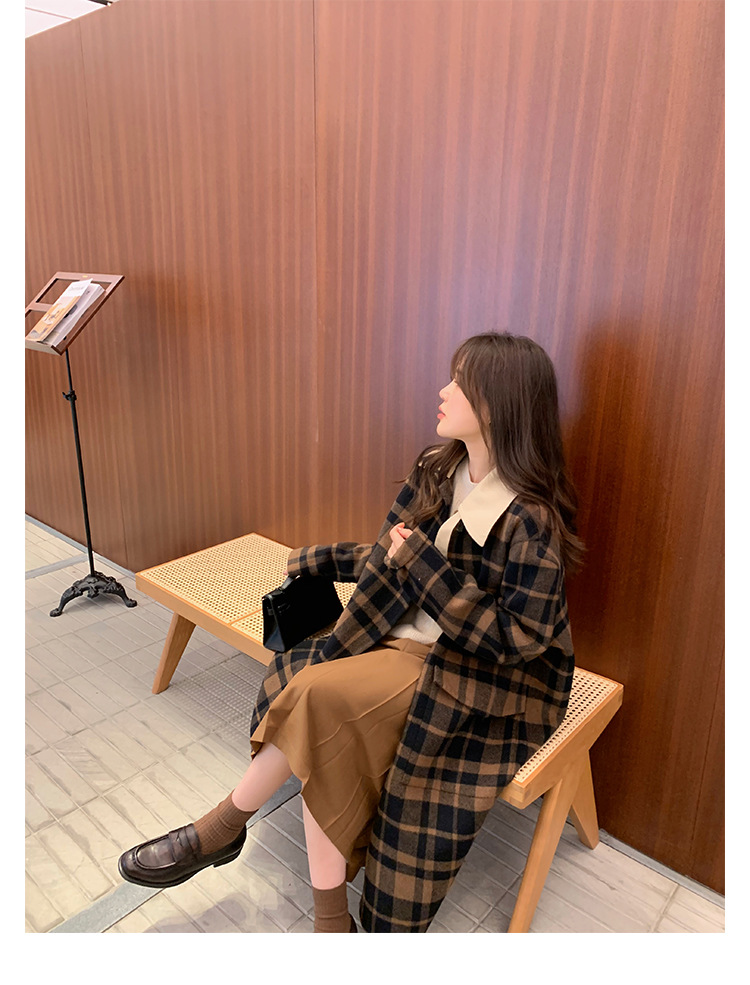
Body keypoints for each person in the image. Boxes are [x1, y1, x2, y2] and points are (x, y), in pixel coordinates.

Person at [118, 331, 583, 933]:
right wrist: (317, 560)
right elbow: (388, 555)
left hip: (473, 671)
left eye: (460, 382)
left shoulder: (531, 516)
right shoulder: (438, 468)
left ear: (498, 403)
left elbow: (518, 639)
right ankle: (324, 919)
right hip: (390, 632)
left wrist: (424, 566)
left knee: (316, 698)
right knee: (319, 708)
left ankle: (224, 828)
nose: (443, 391)